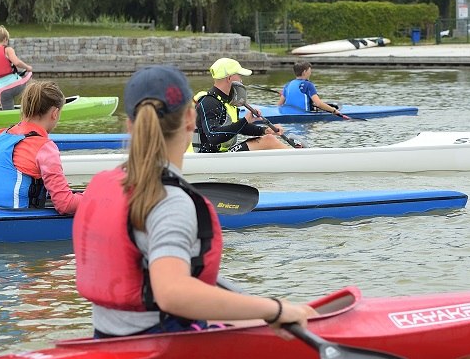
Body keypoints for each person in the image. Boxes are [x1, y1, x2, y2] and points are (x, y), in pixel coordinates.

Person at [72, 64, 316, 338]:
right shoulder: (169, 201)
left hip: (106, 337)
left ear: (130, 125)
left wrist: (264, 311)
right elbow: (172, 294)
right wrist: (276, 309)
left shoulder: (106, 183)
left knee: (246, 318)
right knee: (269, 321)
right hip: (161, 346)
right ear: (191, 119)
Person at [0, 80, 81, 215]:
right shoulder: (44, 147)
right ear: (55, 113)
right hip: (16, 222)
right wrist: (92, 197)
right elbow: (66, 205)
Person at [193, 57, 287, 152]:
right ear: (229, 78)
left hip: (222, 154)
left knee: (268, 136)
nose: (241, 80)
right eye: (239, 75)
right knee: (269, 141)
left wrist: (264, 130)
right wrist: (245, 120)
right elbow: (213, 136)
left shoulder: (227, 101)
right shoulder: (209, 102)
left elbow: (235, 128)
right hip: (207, 157)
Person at [0, 25, 33, 111]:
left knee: (8, 113)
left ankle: (10, 121)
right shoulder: (7, 50)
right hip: (17, 86)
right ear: (5, 39)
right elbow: (17, 62)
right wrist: (28, 67)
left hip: (2, 91)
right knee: (30, 76)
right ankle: (32, 106)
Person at [277, 60, 349, 118]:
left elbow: (279, 104)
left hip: (287, 115)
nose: (310, 72)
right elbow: (318, 103)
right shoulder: (308, 84)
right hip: (304, 116)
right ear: (305, 72)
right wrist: (334, 111)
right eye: (309, 70)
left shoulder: (288, 84)